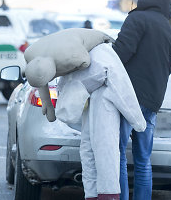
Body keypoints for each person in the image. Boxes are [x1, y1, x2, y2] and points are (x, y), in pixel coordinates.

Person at [55, 43, 146, 200]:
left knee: (94, 150)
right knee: (102, 150)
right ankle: (105, 194)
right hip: (100, 101)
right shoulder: (101, 62)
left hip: (98, 100)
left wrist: (138, 121)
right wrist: (138, 122)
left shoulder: (90, 64)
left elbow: (121, 89)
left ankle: (101, 194)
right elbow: (123, 93)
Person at [113, 0, 171, 200]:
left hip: (129, 98)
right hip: (152, 102)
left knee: (119, 154)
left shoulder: (137, 19)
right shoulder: (170, 32)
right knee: (143, 160)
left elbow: (121, 53)